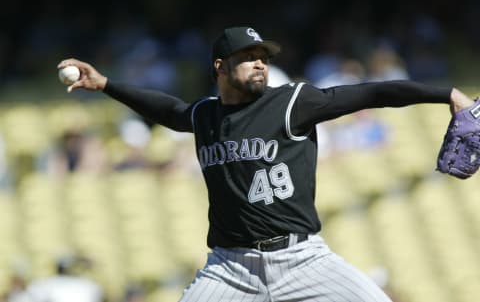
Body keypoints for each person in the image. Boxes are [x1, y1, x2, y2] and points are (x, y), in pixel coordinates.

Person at [58, 26, 475, 302]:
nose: (260, 62)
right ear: (220, 67)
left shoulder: (293, 102)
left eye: (263, 55)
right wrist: (106, 85)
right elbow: (169, 111)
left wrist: (446, 95)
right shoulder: (206, 116)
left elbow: (373, 93)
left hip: (304, 261)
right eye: (247, 55)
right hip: (229, 269)